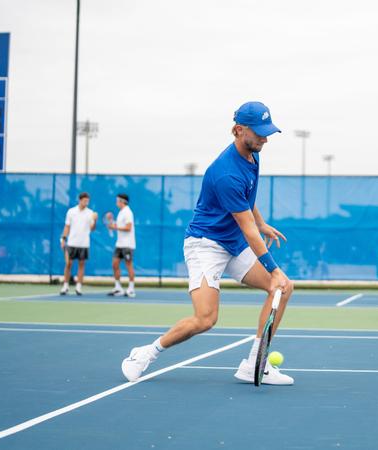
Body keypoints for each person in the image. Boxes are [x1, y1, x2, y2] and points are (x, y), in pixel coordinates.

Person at [121, 101, 295, 385]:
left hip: (232, 242)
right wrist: (272, 266)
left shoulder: (253, 154)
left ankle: (255, 364)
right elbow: (248, 230)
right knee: (205, 319)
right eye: (260, 132)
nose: (265, 138)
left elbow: (247, 199)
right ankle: (144, 353)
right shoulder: (225, 172)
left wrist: (262, 222)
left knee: (283, 288)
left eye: (268, 131)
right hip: (206, 245)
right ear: (239, 130)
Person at [60, 192, 97, 295]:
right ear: (80, 200)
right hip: (72, 242)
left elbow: (92, 229)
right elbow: (67, 226)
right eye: (85, 201)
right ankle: (65, 286)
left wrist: (95, 220)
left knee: (81, 265)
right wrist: (63, 238)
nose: (86, 203)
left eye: (88, 201)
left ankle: (79, 287)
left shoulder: (90, 213)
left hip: (84, 243)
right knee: (68, 264)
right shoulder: (71, 212)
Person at [108, 193, 136, 297]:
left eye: (117, 201)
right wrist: (111, 221)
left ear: (122, 201)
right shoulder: (121, 213)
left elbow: (128, 227)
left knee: (129, 265)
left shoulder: (128, 212)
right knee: (115, 264)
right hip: (119, 244)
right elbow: (119, 226)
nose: (116, 203)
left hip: (127, 244)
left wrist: (114, 228)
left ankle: (131, 288)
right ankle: (118, 288)